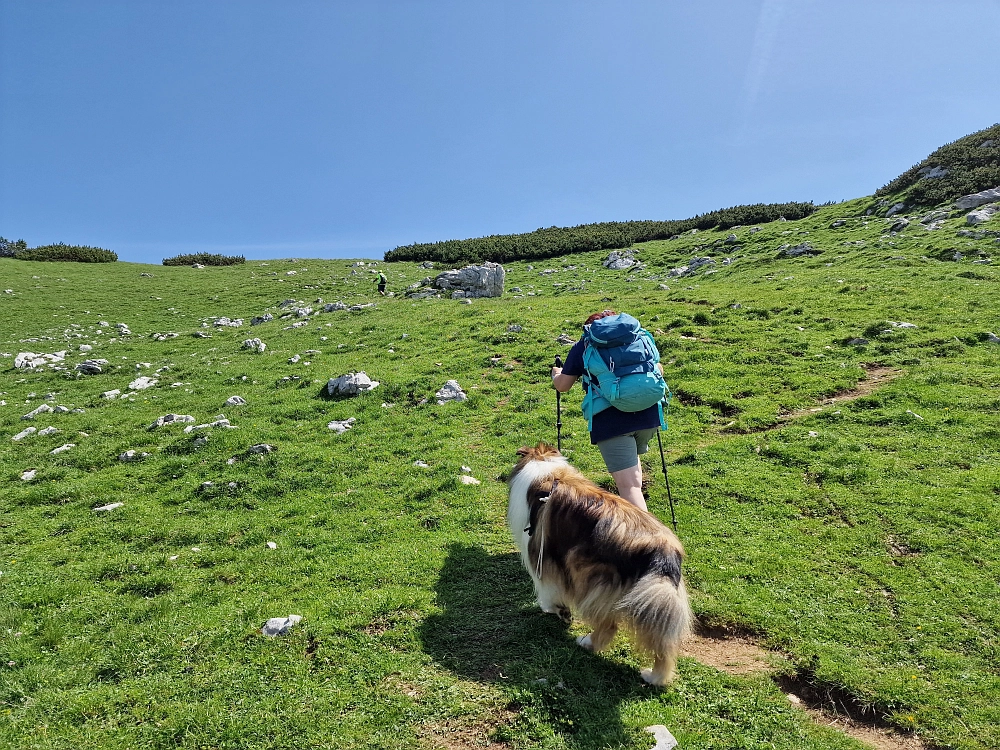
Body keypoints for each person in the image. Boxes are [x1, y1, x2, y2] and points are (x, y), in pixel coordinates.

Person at [551, 310, 664, 511]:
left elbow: (563, 385)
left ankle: (644, 539)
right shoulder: (638, 338)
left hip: (612, 422)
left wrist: (556, 374)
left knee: (629, 487)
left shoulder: (585, 345)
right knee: (633, 481)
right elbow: (659, 369)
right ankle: (644, 533)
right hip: (648, 414)